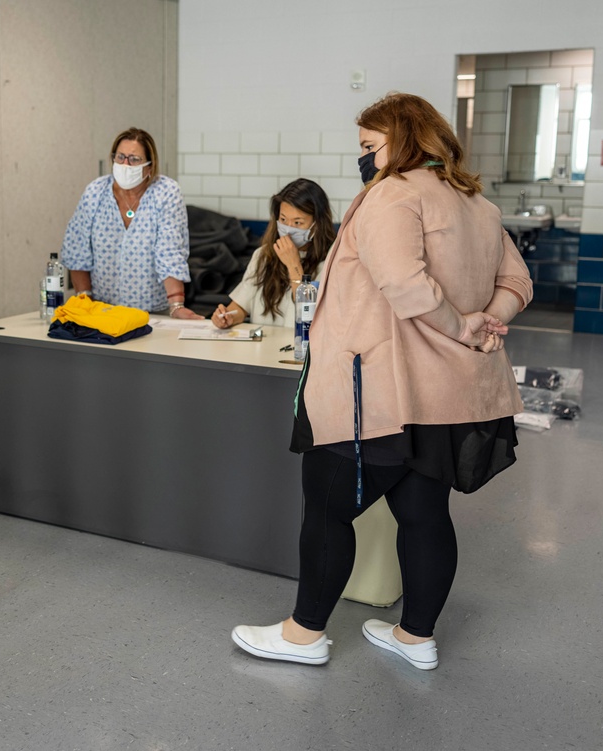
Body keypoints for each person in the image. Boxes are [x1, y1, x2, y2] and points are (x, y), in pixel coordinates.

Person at [231, 92, 533, 671]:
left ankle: (303, 636)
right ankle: (416, 637)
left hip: (379, 392)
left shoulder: (393, 194)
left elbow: (403, 282)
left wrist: (463, 324)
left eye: (370, 146)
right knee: (424, 514)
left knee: (326, 508)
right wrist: (486, 319)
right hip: (447, 396)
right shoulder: (477, 204)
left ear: (406, 138)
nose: (364, 159)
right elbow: (516, 280)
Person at [61, 127, 201, 319]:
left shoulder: (166, 192)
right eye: (120, 157)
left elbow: (169, 252)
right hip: (103, 309)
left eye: (134, 159)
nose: (125, 164)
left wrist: (176, 305)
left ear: (150, 166)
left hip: (152, 311)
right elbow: (77, 250)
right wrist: (85, 300)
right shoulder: (96, 191)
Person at [211, 178, 335, 328]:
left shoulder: (332, 261)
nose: (288, 229)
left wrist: (293, 265)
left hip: (301, 347)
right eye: (283, 219)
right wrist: (227, 316)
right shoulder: (262, 255)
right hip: (264, 346)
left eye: (297, 223)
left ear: (317, 224)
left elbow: (308, 315)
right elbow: (242, 305)